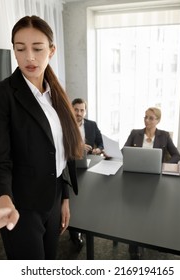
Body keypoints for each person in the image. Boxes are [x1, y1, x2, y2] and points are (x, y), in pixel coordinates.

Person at [0, 15, 83, 260]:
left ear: (52, 50)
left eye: (38, 49)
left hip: (54, 197)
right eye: (20, 49)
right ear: (13, 51)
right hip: (21, 207)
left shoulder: (55, 95)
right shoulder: (1, 94)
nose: (30, 57)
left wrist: (64, 197)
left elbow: (61, 149)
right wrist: (3, 201)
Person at [124, 107, 180, 259]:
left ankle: (154, 239)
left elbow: (177, 155)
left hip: (156, 178)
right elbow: (125, 150)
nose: (147, 121)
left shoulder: (164, 136)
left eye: (151, 118)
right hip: (135, 177)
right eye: (145, 117)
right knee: (136, 211)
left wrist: (163, 165)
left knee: (153, 210)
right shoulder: (135, 133)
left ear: (158, 120)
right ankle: (134, 245)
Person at [68, 98, 104, 251]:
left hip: (89, 166)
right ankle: (75, 233)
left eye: (82, 110)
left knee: (86, 199)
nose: (79, 113)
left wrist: (98, 149)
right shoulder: (64, 124)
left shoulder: (91, 125)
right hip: (69, 166)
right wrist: (79, 145)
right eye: (76, 109)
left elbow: (101, 143)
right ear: (71, 109)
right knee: (72, 201)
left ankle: (85, 226)